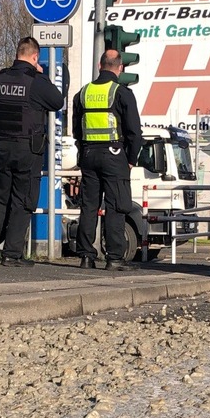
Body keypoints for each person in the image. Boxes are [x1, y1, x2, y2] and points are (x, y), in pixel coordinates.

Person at [0, 36, 64, 267]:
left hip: (2, 147)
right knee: (23, 200)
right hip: (28, 149)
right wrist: (42, 75)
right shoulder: (36, 81)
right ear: (35, 57)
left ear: (18, 53)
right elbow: (57, 101)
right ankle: (12, 254)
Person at [72, 48, 142, 270]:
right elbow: (134, 133)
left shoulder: (82, 93)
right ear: (120, 68)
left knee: (89, 206)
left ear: (99, 66)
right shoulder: (122, 93)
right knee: (116, 206)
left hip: (88, 155)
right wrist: (130, 159)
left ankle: (86, 256)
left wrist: (83, 151)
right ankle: (114, 258)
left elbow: (76, 130)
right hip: (114, 156)